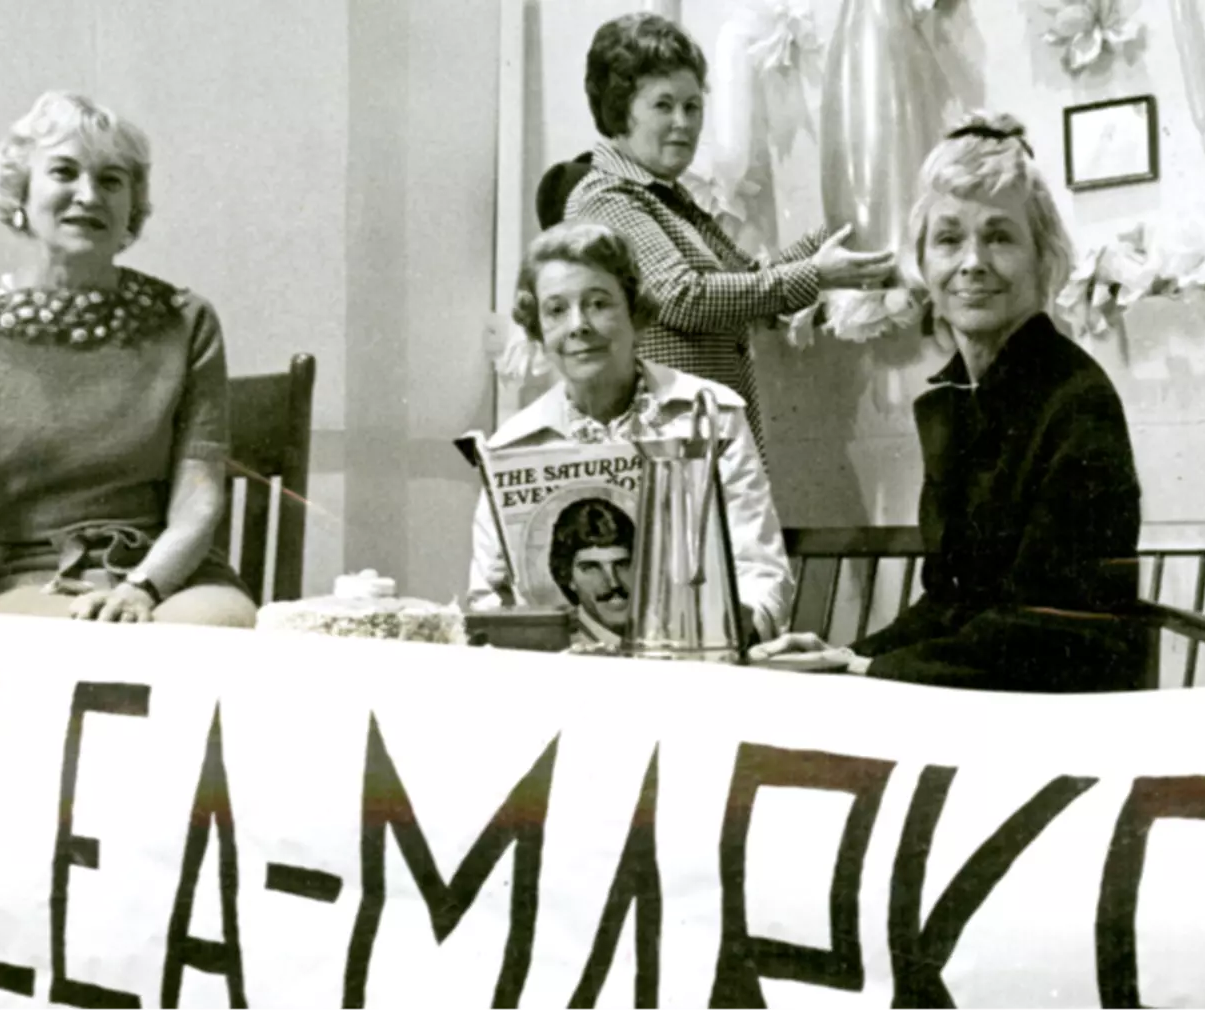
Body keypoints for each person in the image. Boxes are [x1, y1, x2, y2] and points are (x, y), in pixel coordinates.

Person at [753, 113, 1149, 692]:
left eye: (999, 236)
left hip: (1062, 712)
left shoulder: (1075, 402)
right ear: (924, 262)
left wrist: (868, 671)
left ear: (1044, 258)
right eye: (948, 239)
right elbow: (948, 604)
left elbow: (1050, 629)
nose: (972, 262)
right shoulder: (959, 398)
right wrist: (842, 655)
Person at [0, 92, 255, 626]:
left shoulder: (186, 321)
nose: (88, 195)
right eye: (64, 172)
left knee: (206, 631)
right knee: (59, 646)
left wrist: (142, 587)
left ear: (131, 212)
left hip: (174, 581)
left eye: (112, 180)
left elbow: (199, 498)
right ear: (20, 192)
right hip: (33, 582)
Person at [567, 12, 897, 449]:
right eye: (663, 105)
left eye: (692, 106)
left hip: (701, 445)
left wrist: (842, 227)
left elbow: (750, 281)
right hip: (664, 453)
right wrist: (816, 275)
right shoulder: (608, 199)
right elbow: (685, 298)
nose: (683, 123)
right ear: (618, 107)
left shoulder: (668, 198)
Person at [469, 220, 793, 641]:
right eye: (556, 310)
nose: (578, 325)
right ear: (537, 329)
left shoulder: (708, 413)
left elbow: (761, 571)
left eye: (599, 303)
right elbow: (483, 600)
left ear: (635, 313)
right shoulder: (512, 444)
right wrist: (505, 609)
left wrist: (730, 628)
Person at [547, 497, 635, 646]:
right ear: (567, 577)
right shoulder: (554, 651)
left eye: (622, 565)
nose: (613, 583)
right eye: (592, 568)